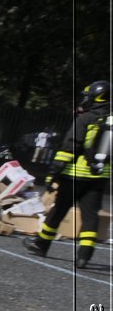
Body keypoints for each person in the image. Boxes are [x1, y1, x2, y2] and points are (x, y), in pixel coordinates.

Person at [23, 80, 110, 271]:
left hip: (74, 175)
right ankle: (84, 257)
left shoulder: (86, 118)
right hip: (99, 177)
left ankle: (41, 245)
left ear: (97, 97)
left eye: (88, 96)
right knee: (90, 216)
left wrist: (53, 173)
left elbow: (70, 146)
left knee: (59, 210)